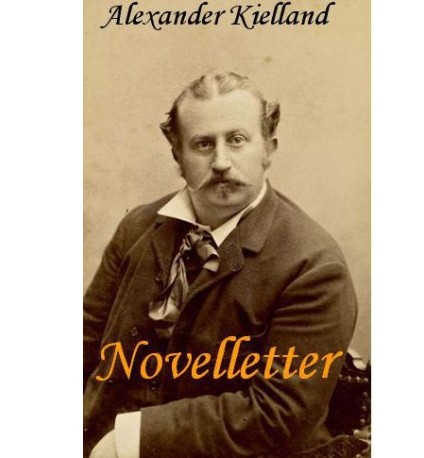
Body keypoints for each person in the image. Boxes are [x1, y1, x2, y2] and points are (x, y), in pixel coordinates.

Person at [83, 71, 358, 458]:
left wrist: (128, 440)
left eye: (237, 140)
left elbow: (278, 414)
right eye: (202, 144)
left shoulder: (313, 265)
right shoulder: (139, 227)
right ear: (177, 156)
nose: (221, 162)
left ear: (268, 149)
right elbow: (84, 342)